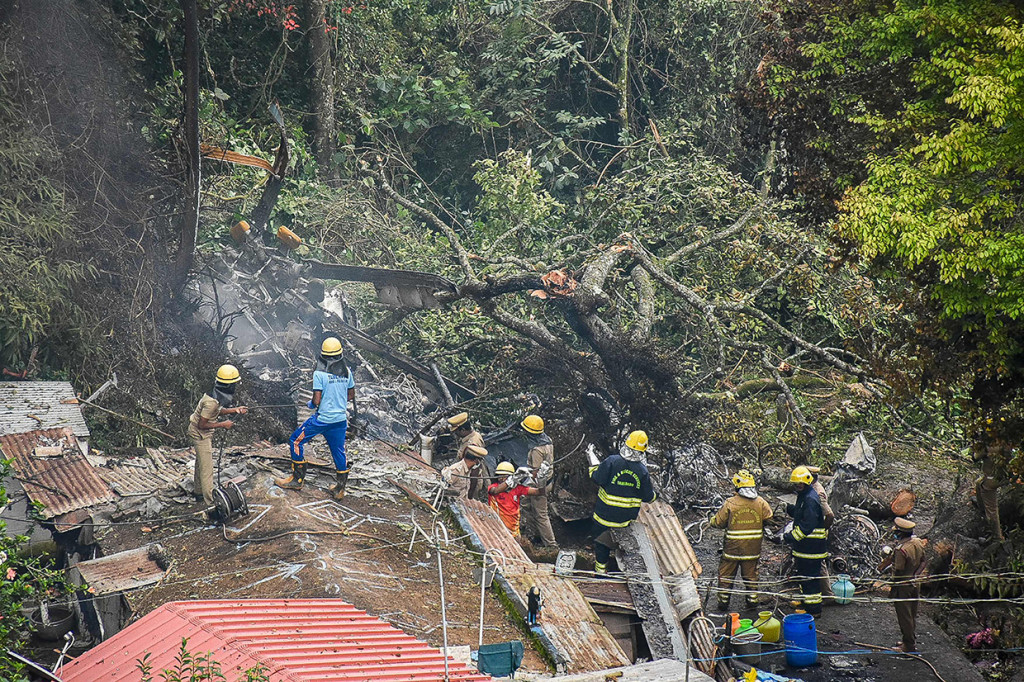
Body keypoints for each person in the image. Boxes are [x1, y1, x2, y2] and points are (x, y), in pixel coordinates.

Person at [275, 337, 356, 499]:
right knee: (338, 451)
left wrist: (311, 404)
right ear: (340, 355)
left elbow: (316, 400)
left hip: (322, 420)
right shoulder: (348, 372)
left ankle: (297, 479)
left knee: (296, 441)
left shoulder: (319, 374)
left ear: (323, 356)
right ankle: (340, 489)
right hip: (340, 421)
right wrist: (337, 403)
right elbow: (351, 395)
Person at [589, 430, 657, 574]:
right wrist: (655, 496)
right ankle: (624, 573)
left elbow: (597, 478)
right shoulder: (642, 471)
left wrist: (592, 468)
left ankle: (600, 575)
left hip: (603, 516)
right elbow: (647, 497)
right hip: (624, 521)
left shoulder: (612, 461)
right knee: (625, 549)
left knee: (601, 547)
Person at [709, 469, 773, 609]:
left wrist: (711, 519)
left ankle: (723, 603)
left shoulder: (730, 502)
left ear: (737, 486)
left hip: (732, 548)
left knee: (726, 575)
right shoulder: (761, 502)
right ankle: (752, 601)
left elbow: (718, 522)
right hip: (752, 548)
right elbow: (770, 518)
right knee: (751, 576)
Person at [187, 365, 248, 505]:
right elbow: (201, 424)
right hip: (199, 434)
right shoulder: (211, 403)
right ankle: (212, 503)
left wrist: (235, 410)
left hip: (201, 432)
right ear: (228, 385)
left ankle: (198, 492)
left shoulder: (215, 394)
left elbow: (217, 412)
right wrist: (222, 425)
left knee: (200, 463)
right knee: (207, 469)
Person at [783, 465, 828, 615]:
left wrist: (789, 537)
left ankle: (813, 610)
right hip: (805, 548)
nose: (798, 486)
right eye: (796, 484)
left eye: (800, 483)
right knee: (804, 577)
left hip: (811, 549)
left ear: (807, 481)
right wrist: (790, 509)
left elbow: (807, 525)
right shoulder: (804, 495)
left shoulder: (810, 499)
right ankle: (805, 602)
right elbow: (801, 513)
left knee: (810, 581)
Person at [879, 517, 927, 652]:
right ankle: (908, 640)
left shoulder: (901, 549)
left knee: (904, 616)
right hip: (915, 583)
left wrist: (893, 584)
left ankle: (908, 646)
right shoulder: (917, 543)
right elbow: (924, 561)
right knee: (912, 613)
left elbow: (898, 569)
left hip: (903, 585)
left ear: (900, 533)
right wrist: (915, 575)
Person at [520, 414, 558, 549]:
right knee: (526, 505)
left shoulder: (537, 450)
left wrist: (522, 476)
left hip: (539, 484)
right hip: (548, 480)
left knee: (541, 515)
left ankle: (551, 545)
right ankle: (535, 535)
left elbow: (535, 473)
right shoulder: (547, 441)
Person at [488, 461, 543, 539]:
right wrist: (510, 481)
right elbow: (495, 491)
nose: (501, 479)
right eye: (499, 476)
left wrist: (542, 480)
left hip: (513, 528)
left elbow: (539, 492)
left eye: (504, 476)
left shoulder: (517, 488)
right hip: (497, 527)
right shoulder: (493, 487)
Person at [973, 439, 1005, 542]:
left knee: (992, 510)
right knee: (978, 483)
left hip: (991, 480)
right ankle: (981, 506)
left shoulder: (987, 444)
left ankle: (997, 537)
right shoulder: (1007, 440)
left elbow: (975, 457)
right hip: (1004, 477)